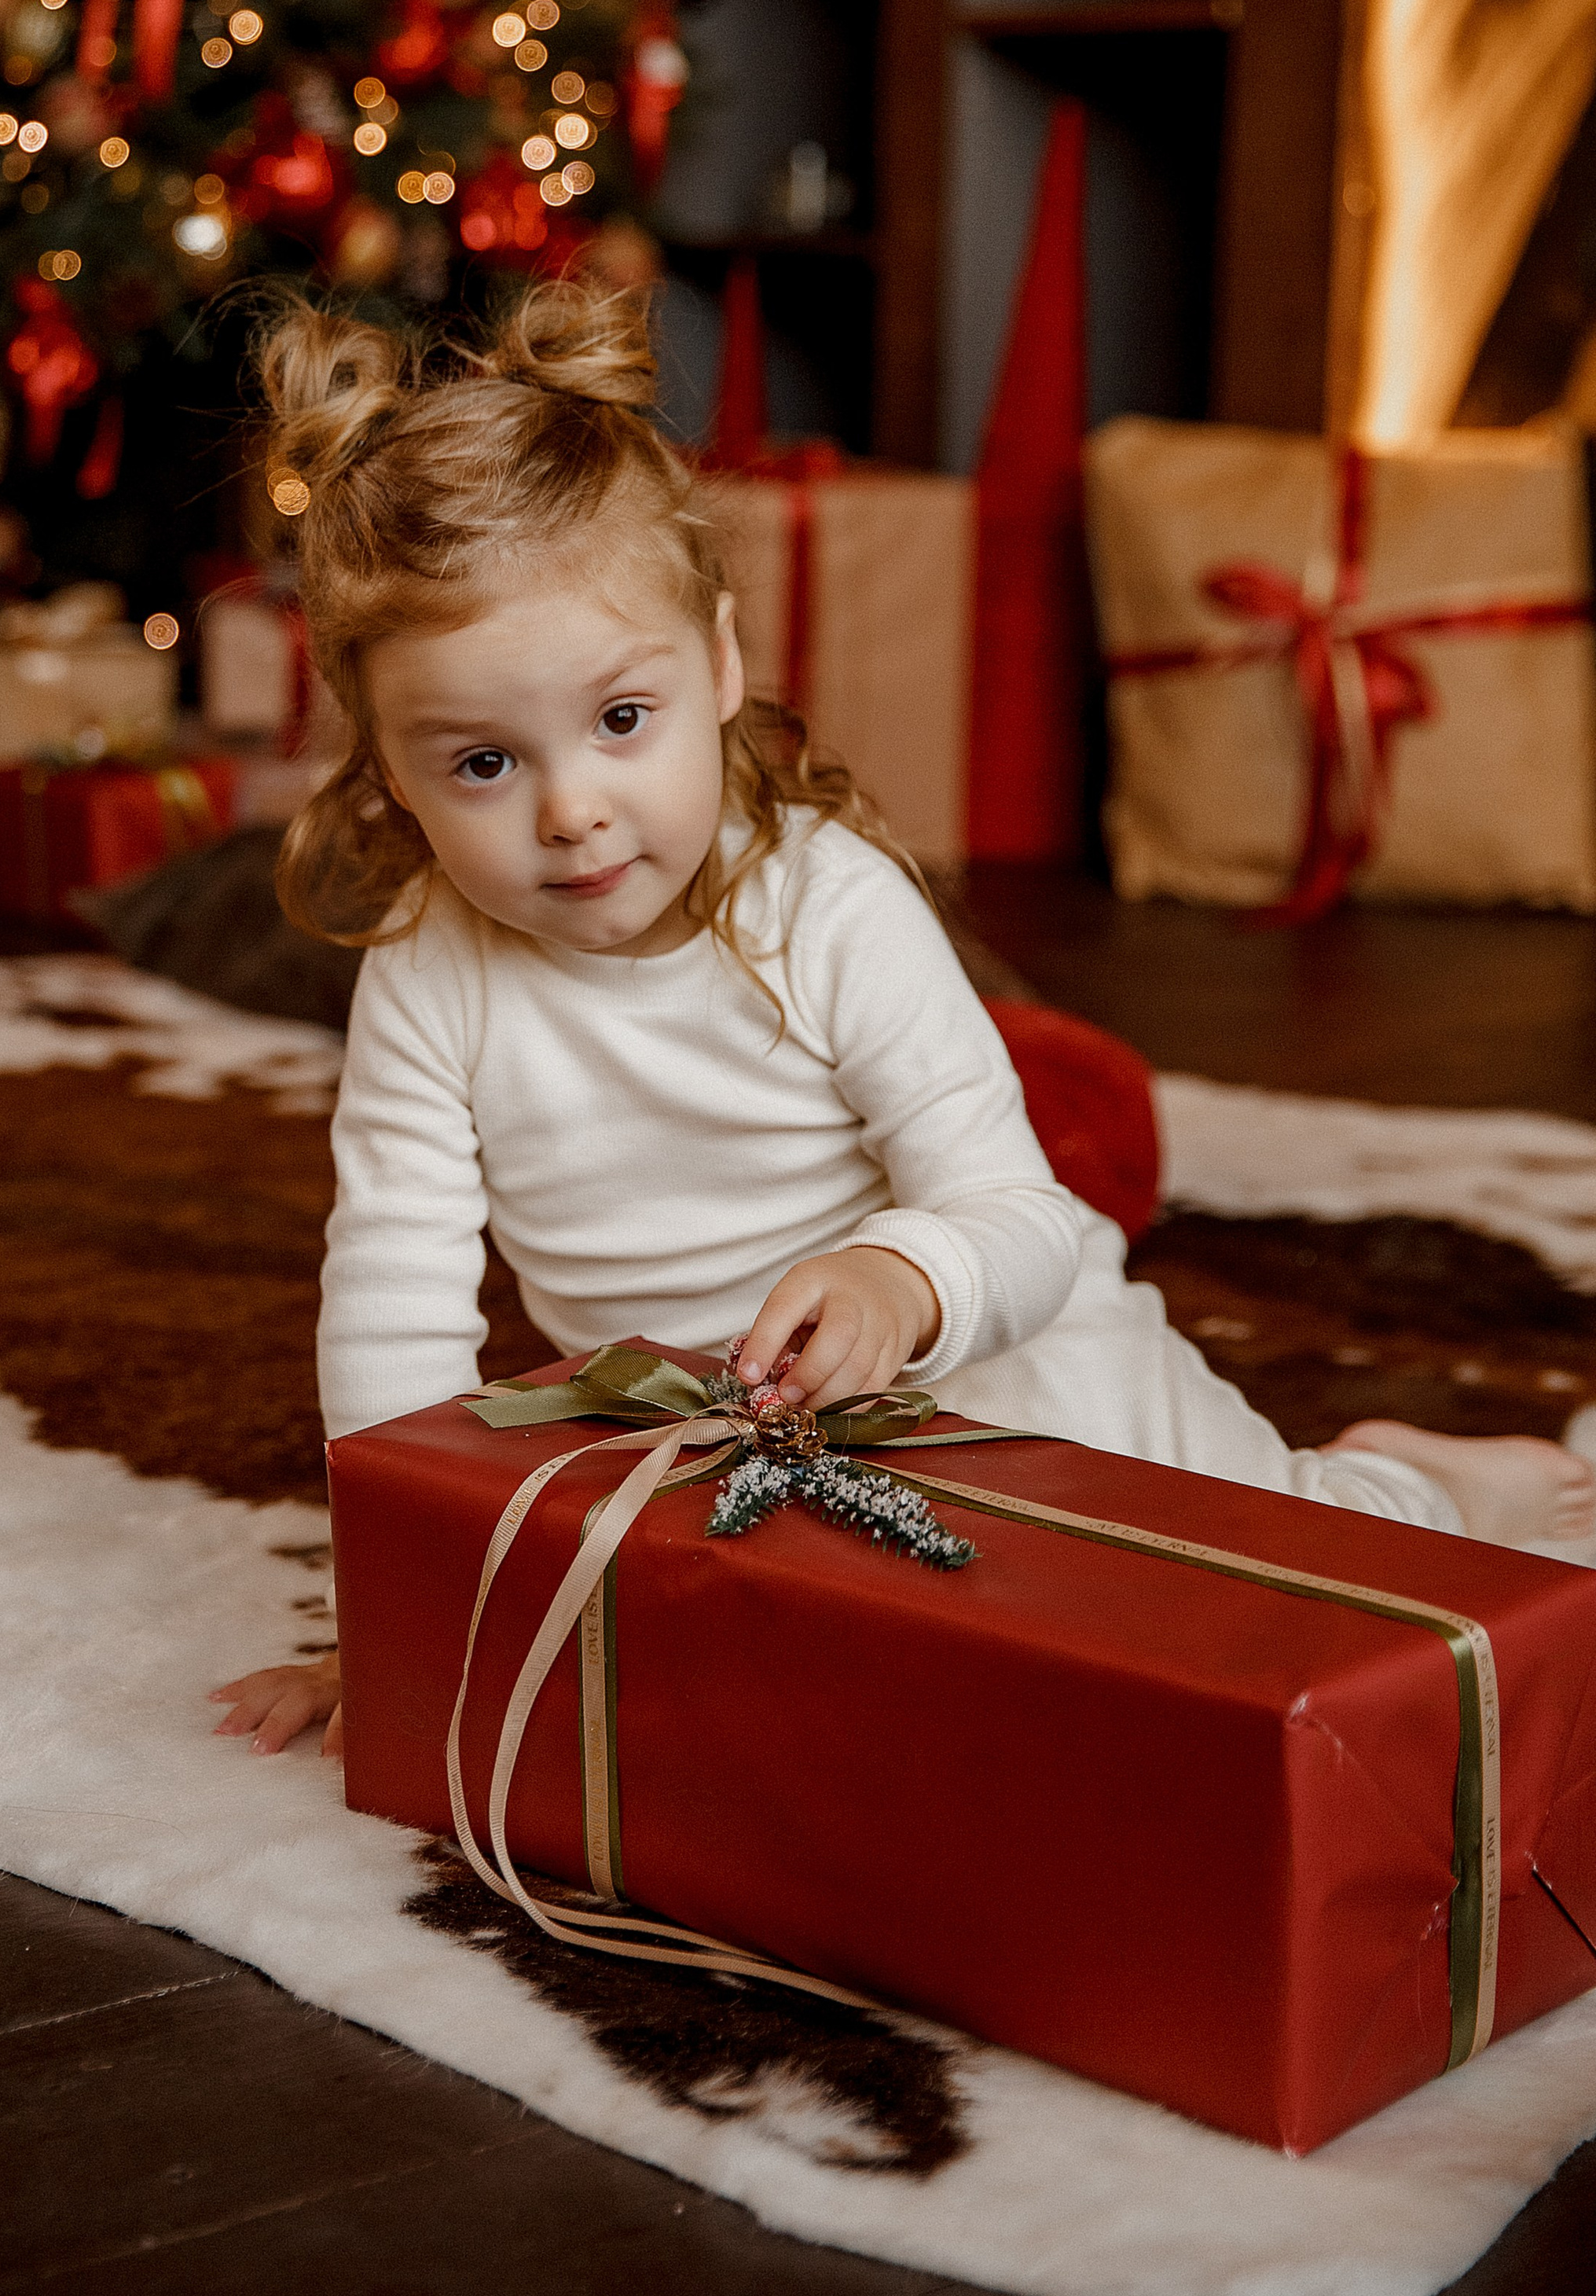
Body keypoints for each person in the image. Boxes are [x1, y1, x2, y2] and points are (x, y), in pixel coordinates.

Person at [214, 279, 1596, 1759]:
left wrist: (895, 1285)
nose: (572, 810)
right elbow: (394, 1313)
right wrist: (399, 1617)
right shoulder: (429, 974)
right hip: (745, 1451)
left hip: (1030, 1377)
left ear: (722, 667)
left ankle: (1430, 1487)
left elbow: (1017, 1210)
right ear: (387, 776)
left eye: (623, 720)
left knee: (1289, 1590)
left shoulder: (827, 904)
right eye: (482, 762)